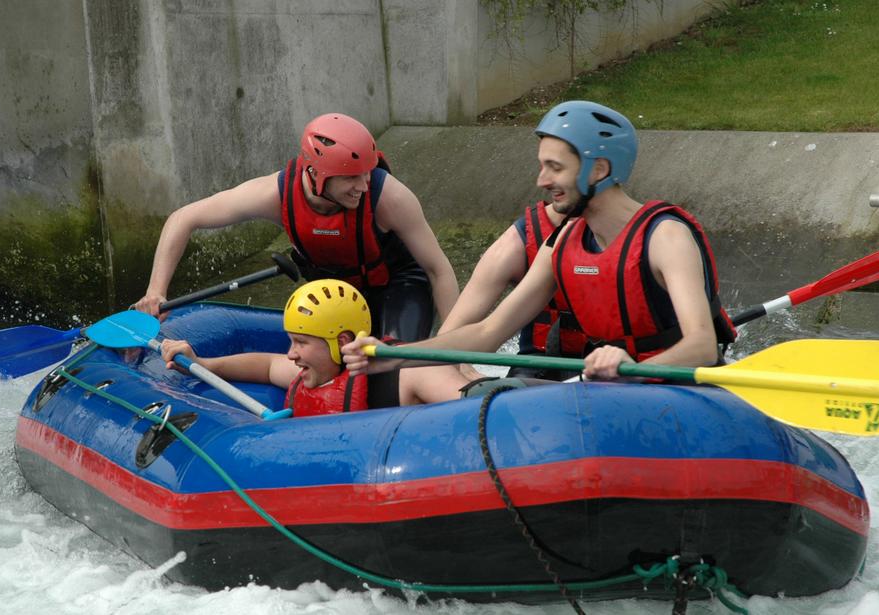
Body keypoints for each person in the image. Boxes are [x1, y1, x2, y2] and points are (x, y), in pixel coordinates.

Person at [343, 100, 736, 386]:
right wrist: (396, 356)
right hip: (614, 394)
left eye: (555, 167)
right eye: (542, 166)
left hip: (679, 391)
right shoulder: (564, 241)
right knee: (507, 397)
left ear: (599, 170)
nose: (541, 181)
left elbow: (701, 346)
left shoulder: (665, 237)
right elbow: (488, 333)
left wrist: (630, 371)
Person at [135, 113, 458, 347]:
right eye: (350, 177)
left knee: (392, 367)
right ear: (316, 173)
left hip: (398, 285)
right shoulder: (274, 195)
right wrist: (156, 292)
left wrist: (456, 349)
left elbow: (438, 270)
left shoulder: (389, 197)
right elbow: (183, 218)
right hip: (332, 292)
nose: (362, 185)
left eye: (366, 173)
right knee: (319, 365)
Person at [160, 280, 461, 417]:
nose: (291, 354)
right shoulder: (317, 372)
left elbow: (479, 405)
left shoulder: (407, 373)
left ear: (341, 343)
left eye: (301, 342)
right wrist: (203, 363)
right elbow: (265, 365)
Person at [439, 201, 586, 383]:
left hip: (608, 368)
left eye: (557, 170)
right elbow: (468, 333)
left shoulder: (628, 240)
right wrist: (461, 367)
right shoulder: (514, 244)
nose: (543, 181)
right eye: (543, 170)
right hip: (536, 365)